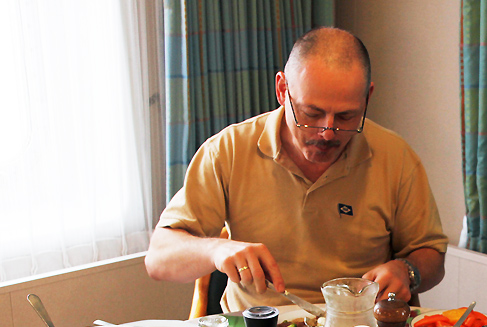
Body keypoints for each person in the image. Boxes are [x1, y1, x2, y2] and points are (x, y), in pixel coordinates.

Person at [145, 27, 448, 311]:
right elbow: (158, 258)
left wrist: (407, 270)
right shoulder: (229, 150)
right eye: (311, 113)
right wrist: (215, 251)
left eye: (346, 116)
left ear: (367, 97)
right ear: (282, 89)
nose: (327, 132)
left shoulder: (395, 157)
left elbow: (432, 256)